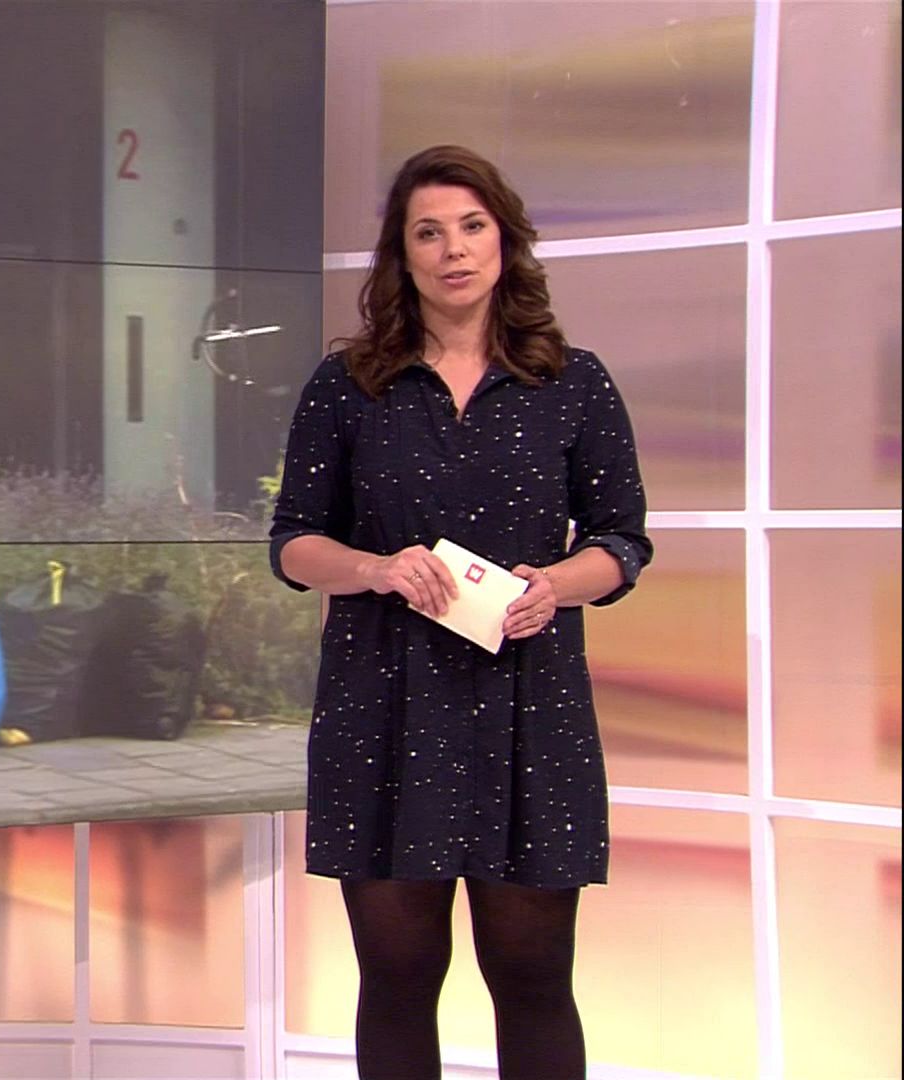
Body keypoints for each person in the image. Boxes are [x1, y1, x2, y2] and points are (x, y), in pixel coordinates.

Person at [269, 145, 651, 1080]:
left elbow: (622, 541)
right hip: (383, 709)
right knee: (398, 977)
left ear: (504, 240)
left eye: (472, 227)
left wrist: (554, 585)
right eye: (428, 233)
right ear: (401, 256)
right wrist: (373, 567)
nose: (454, 250)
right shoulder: (348, 384)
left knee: (533, 976)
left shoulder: (574, 382)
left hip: (530, 710)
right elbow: (291, 544)